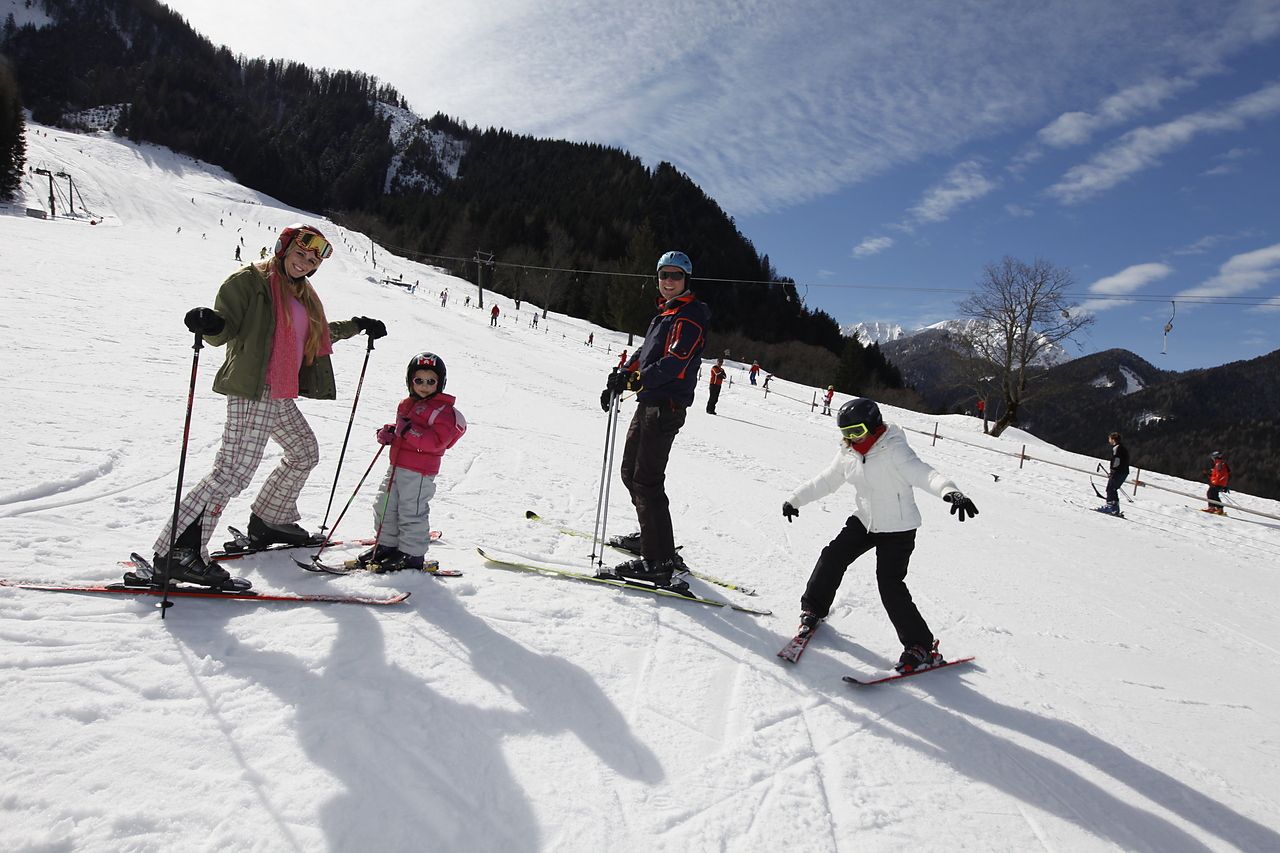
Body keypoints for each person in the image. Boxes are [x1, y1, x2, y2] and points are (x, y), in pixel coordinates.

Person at [151, 223, 387, 587]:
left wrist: (357, 325)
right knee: (232, 472)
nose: (305, 263)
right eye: (300, 254)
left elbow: (316, 332)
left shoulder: (301, 293)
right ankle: (178, 552)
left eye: (312, 260)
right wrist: (210, 324)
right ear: (283, 248)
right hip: (253, 388)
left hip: (279, 391)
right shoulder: (250, 281)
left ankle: (270, 519)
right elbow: (225, 328)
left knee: (304, 452)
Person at [782, 397, 978, 673]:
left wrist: (950, 491)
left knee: (889, 584)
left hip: (897, 527)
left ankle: (920, 646)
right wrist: (795, 499)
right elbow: (827, 479)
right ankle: (813, 609)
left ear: (874, 427)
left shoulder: (894, 450)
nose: (852, 439)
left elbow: (924, 473)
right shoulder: (849, 452)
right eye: (846, 433)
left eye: (857, 432)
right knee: (832, 556)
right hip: (865, 520)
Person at [600, 251, 710, 589]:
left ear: (686, 280)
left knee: (646, 480)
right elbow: (645, 353)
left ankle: (656, 560)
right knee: (631, 473)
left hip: (666, 405)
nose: (669, 281)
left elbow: (674, 361)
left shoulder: (689, 315)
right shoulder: (665, 313)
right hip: (649, 402)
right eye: (664, 275)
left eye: (676, 275)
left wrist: (637, 381)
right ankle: (656, 541)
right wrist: (621, 376)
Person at [358, 352, 467, 571]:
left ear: (440, 383)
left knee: (411, 511)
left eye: (431, 381)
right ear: (410, 381)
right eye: (419, 380)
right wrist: (388, 432)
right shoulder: (408, 404)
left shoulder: (444, 412)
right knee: (384, 506)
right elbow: (404, 428)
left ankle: (412, 554)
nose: (424, 386)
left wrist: (407, 430)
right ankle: (387, 545)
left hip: (419, 473)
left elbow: (435, 442)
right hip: (396, 465)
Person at [1096, 432, 1129, 515]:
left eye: (1110, 439)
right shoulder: (1123, 448)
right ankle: (1115, 508)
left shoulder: (1117, 448)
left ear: (1113, 440)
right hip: (1124, 471)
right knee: (1114, 489)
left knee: (1110, 488)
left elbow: (1117, 460)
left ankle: (1110, 506)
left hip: (1118, 471)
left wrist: (1113, 470)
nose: (1109, 441)